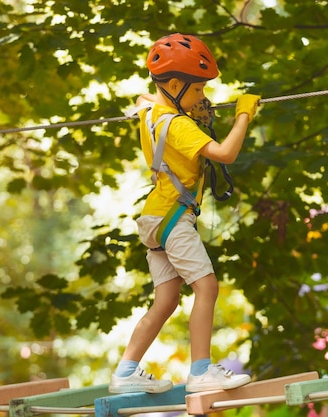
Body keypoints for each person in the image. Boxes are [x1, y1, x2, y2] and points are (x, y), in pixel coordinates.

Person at [109, 33, 260, 394]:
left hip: (156, 217)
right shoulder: (176, 125)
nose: (203, 98)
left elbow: (144, 97)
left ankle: (125, 372)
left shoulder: (153, 111)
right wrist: (243, 114)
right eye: (198, 90)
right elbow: (224, 154)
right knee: (207, 287)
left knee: (166, 301)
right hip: (174, 217)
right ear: (174, 84)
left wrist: (192, 107)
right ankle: (201, 372)